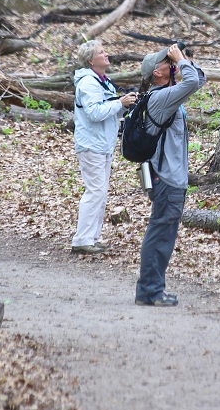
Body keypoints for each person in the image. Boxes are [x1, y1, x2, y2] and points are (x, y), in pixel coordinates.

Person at [134, 43, 206, 307]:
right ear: (157, 73)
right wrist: (181, 61)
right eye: (166, 61)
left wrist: (182, 58)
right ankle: (150, 291)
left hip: (169, 176)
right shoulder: (160, 98)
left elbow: (198, 79)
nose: (172, 62)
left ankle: (151, 289)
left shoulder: (167, 92)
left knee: (163, 231)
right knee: (160, 233)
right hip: (166, 177)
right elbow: (192, 83)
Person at [70, 40, 138, 254]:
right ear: (91, 60)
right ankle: (81, 240)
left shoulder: (103, 81)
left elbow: (108, 111)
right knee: (96, 191)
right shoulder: (88, 83)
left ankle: (92, 237)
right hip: (91, 144)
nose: (107, 54)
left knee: (101, 192)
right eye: (102, 52)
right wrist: (120, 103)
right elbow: (94, 113)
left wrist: (125, 105)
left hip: (103, 144)